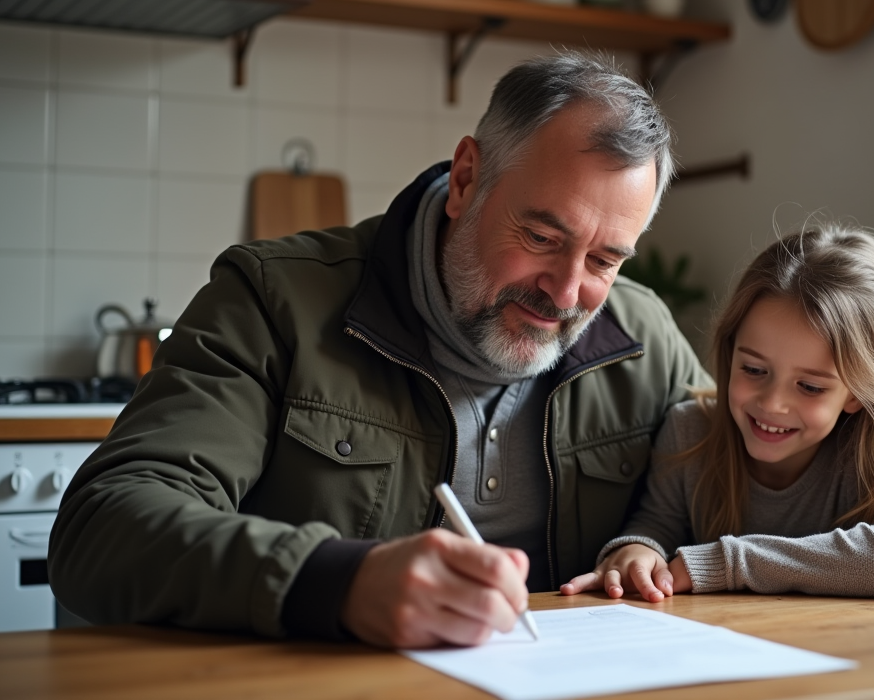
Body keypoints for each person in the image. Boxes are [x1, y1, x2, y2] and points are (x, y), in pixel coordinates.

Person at [48, 52, 711, 648]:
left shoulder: (642, 339)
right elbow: (102, 531)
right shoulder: (270, 302)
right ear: (465, 179)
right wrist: (339, 582)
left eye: (603, 260)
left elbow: (762, 482)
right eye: (541, 237)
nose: (565, 292)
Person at [560, 225, 874, 602]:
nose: (772, 404)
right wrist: (637, 550)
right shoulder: (689, 432)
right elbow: (657, 525)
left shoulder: (873, 461)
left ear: (859, 392)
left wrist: (728, 563)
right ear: (730, 352)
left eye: (810, 386)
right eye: (753, 370)